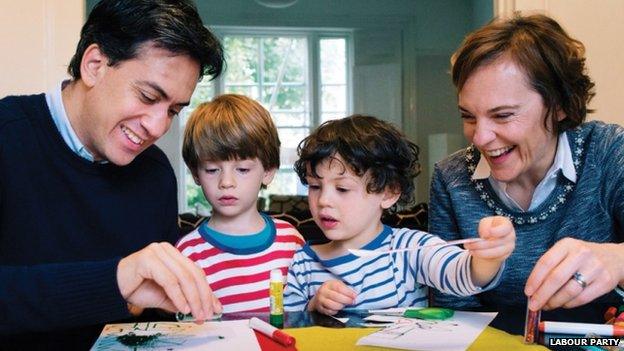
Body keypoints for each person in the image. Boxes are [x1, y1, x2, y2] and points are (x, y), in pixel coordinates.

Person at [0, 0, 224, 348]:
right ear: (94, 65)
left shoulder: (155, 175)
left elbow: (153, 323)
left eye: (173, 110)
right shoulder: (7, 137)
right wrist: (116, 281)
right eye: (148, 96)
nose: (157, 127)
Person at [429, 14, 624, 319]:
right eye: (468, 116)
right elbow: (452, 315)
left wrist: (619, 259)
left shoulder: (610, 152)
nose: (479, 137)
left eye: (503, 115)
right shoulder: (451, 178)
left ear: (559, 104)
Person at [283, 115, 516, 314]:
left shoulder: (411, 248)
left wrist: (489, 257)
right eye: (315, 186)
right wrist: (314, 306)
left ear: (389, 193)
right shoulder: (304, 263)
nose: (323, 200)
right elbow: (285, 328)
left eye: (342, 188)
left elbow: (464, 276)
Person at [177, 94, 304, 313]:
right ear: (195, 173)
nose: (226, 182)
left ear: (268, 171)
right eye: (211, 170)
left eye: (242, 169)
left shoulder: (292, 242)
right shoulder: (188, 254)